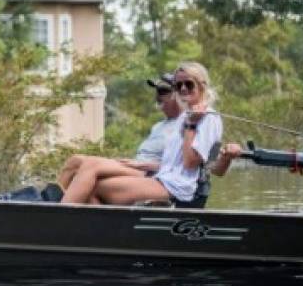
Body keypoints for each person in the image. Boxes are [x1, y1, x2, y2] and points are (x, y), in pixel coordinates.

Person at [62, 62, 223, 205]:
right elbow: (171, 163)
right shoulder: (185, 115)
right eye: (178, 85)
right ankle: (96, 231)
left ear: (202, 85)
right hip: (163, 178)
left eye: (188, 84)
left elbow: (191, 163)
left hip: (177, 188)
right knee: (89, 182)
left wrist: (192, 125)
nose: (182, 88)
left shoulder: (208, 118)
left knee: (94, 183)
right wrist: (140, 164)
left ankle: (58, 218)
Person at [55, 73, 182, 194]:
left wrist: (144, 165)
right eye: (157, 91)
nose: (158, 96)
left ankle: (55, 209)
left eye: (163, 91)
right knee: (75, 161)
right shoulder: (158, 126)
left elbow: (181, 168)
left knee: (91, 165)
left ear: (178, 96)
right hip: (135, 166)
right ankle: (48, 204)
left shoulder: (184, 126)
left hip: (148, 174)